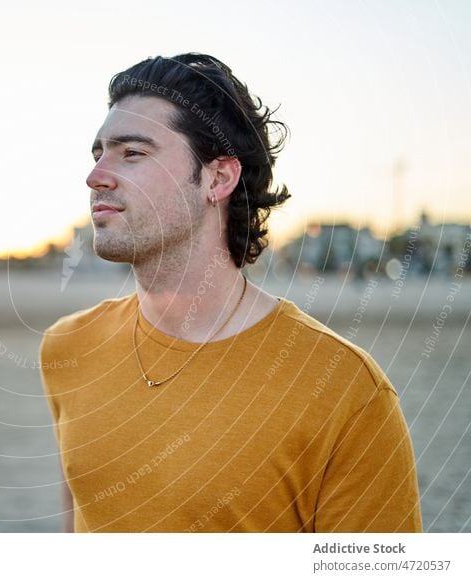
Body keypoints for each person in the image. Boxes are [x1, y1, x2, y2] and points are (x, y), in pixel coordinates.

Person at [38, 53, 422, 533]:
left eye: (131, 153)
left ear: (218, 178)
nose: (95, 177)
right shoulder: (69, 347)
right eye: (98, 155)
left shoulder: (345, 390)